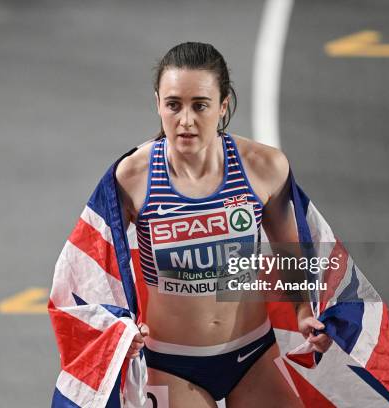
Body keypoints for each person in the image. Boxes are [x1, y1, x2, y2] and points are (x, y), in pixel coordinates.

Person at [115, 42, 331, 407]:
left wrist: (303, 311)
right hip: (171, 362)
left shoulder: (262, 167)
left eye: (200, 105)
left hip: (254, 354)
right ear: (158, 104)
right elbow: (102, 263)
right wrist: (122, 324)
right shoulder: (132, 177)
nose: (186, 120)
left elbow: (289, 248)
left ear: (223, 105)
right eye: (173, 105)